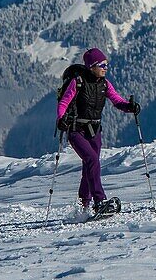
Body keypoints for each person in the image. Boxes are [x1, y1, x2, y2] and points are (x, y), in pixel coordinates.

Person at [56, 48, 141, 214]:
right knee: (92, 160)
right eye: (102, 65)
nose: (105, 68)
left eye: (107, 64)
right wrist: (61, 119)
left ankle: (83, 205)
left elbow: (117, 101)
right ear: (91, 66)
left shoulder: (104, 84)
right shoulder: (78, 82)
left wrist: (129, 107)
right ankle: (99, 201)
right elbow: (63, 103)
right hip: (76, 130)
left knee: (90, 165)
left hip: (95, 131)